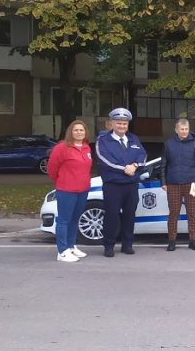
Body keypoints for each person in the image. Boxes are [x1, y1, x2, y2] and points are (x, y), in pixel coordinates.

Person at [95, 107, 147, 257]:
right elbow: (105, 160)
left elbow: (142, 155)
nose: (122, 126)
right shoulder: (103, 140)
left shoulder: (133, 139)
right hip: (113, 185)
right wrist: (125, 168)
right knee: (111, 215)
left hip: (131, 185)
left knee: (130, 215)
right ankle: (109, 246)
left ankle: (127, 244)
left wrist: (135, 166)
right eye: (118, 123)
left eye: (124, 124)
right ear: (112, 124)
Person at [47, 120, 93, 263]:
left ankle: (71, 246)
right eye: (76, 130)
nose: (79, 132)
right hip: (66, 190)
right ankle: (62, 251)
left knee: (75, 219)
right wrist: (62, 181)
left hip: (83, 189)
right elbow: (52, 169)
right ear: (70, 132)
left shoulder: (86, 148)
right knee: (64, 220)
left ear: (85, 132)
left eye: (81, 130)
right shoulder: (61, 148)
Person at [160, 118, 195, 252]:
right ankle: (172, 241)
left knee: (192, 213)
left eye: (186, 129)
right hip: (173, 184)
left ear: (188, 129)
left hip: (192, 184)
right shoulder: (168, 144)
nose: (184, 131)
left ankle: (192, 241)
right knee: (174, 213)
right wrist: (163, 182)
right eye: (181, 129)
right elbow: (163, 165)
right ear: (176, 130)